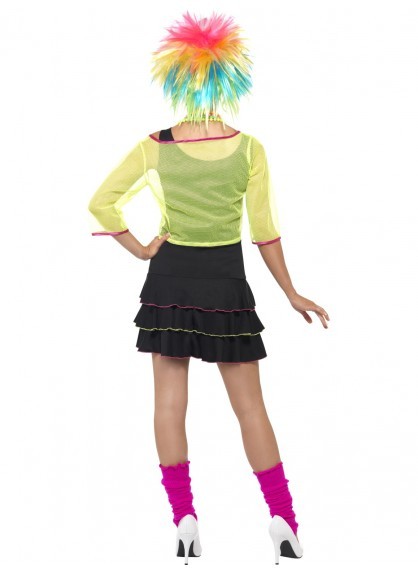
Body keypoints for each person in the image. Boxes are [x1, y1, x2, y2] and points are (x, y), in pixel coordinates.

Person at [87, 10, 330, 565]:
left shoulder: (155, 145)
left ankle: (185, 523)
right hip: (226, 283)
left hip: (168, 280)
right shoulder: (250, 149)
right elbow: (264, 232)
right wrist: (291, 293)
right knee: (252, 408)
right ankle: (283, 521)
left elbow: (102, 202)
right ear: (228, 80)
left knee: (169, 405)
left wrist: (142, 248)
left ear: (177, 78)